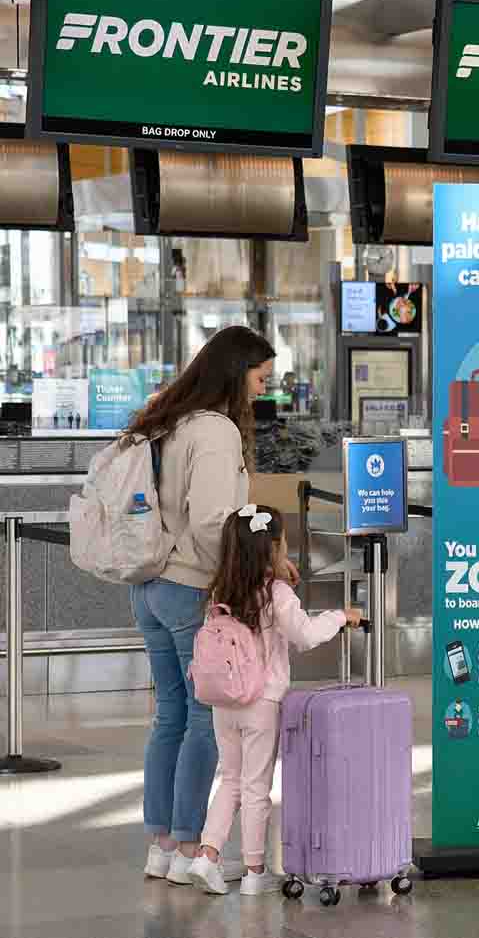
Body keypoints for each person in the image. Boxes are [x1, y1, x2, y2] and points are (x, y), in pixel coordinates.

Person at [127, 325, 280, 886]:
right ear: (235, 371)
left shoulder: (168, 419)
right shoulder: (214, 431)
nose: (264, 389)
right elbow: (215, 522)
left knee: (169, 715)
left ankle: (161, 847)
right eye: (260, 377)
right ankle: (193, 846)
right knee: (199, 722)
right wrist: (258, 569)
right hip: (191, 587)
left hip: (150, 587)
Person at [185, 505, 359, 895]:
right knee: (255, 787)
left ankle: (207, 855)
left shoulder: (221, 590)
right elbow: (307, 635)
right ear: (271, 549)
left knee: (230, 779)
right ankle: (253, 872)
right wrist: (340, 616)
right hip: (262, 703)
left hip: (223, 701)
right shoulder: (275, 593)